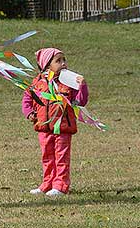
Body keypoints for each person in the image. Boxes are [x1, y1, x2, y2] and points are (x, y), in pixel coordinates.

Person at [22, 48, 89, 197]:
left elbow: (80, 101)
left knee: (61, 158)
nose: (63, 63)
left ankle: (61, 185)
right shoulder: (37, 82)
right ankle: (47, 183)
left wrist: (82, 86)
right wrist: (29, 113)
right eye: (58, 61)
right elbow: (27, 97)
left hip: (63, 129)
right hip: (43, 128)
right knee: (47, 157)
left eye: (64, 60)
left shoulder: (69, 83)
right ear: (46, 65)